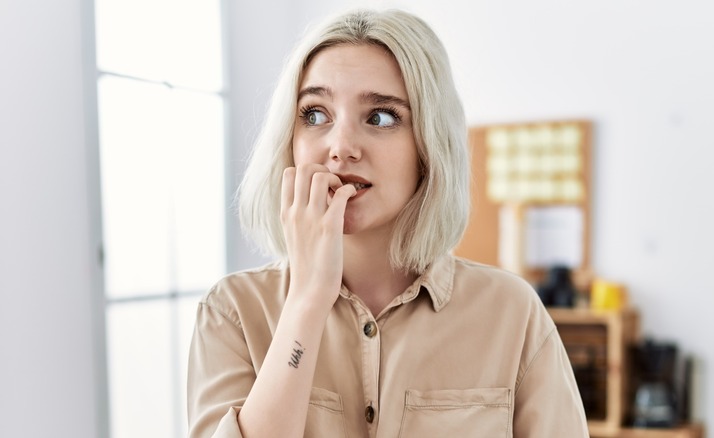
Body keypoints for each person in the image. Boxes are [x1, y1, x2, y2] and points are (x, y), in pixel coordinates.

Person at [187, 8, 588, 438]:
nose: (340, 148)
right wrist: (306, 299)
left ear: (429, 145)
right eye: (315, 114)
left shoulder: (513, 312)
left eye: (380, 117)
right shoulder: (231, 312)